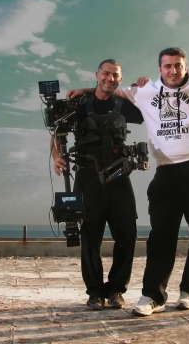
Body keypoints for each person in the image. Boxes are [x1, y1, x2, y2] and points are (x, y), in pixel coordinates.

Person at [68, 47, 189, 316]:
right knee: (160, 235)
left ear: (185, 66)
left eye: (178, 65)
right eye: (168, 66)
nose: (173, 71)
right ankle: (153, 295)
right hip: (165, 171)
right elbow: (107, 88)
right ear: (160, 69)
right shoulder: (145, 91)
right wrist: (83, 91)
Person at [50, 59, 144, 311]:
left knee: (127, 234)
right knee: (90, 236)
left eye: (115, 75)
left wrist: (144, 86)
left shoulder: (125, 105)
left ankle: (116, 289)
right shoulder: (80, 104)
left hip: (119, 177)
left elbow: (153, 108)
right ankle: (95, 292)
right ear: (97, 75)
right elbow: (56, 132)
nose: (110, 78)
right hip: (88, 177)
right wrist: (57, 156)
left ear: (120, 79)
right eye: (106, 73)